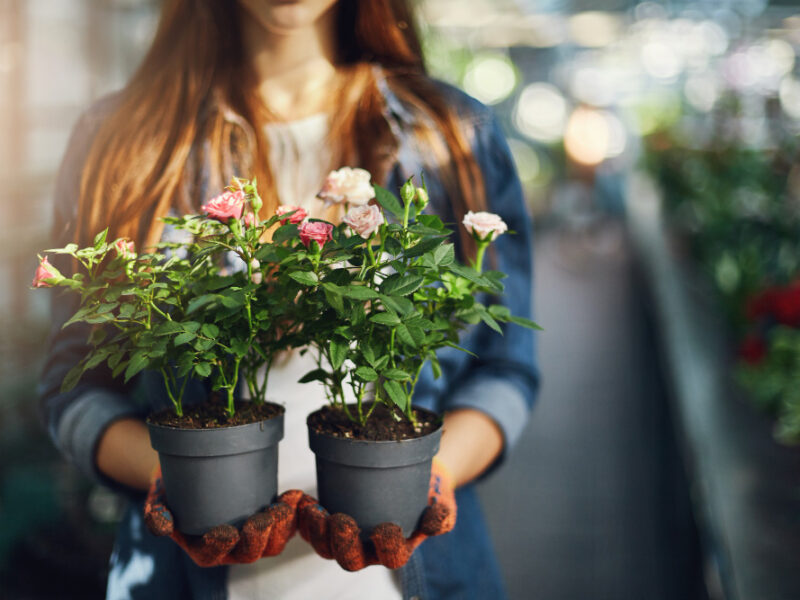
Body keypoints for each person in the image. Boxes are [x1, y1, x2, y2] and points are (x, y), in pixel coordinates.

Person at [38, 0, 539, 598]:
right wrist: (173, 477)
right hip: (177, 582)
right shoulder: (123, 140)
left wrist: (434, 474)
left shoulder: (453, 135)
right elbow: (73, 385)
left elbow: (506, 370)